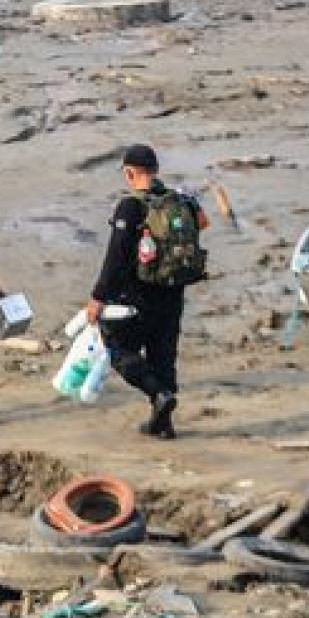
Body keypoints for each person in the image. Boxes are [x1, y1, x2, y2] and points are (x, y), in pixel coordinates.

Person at [84, 143, 204, 440]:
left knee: (118, 349)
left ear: (129, 173)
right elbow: (203, 224)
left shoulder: (131, 206)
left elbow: (116, 254)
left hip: (137, 297)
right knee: (163, 356)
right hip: (173, 292)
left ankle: (159, 394)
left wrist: (98, 297)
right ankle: (163, 423)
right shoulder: (182, 200)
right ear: (156, 170)